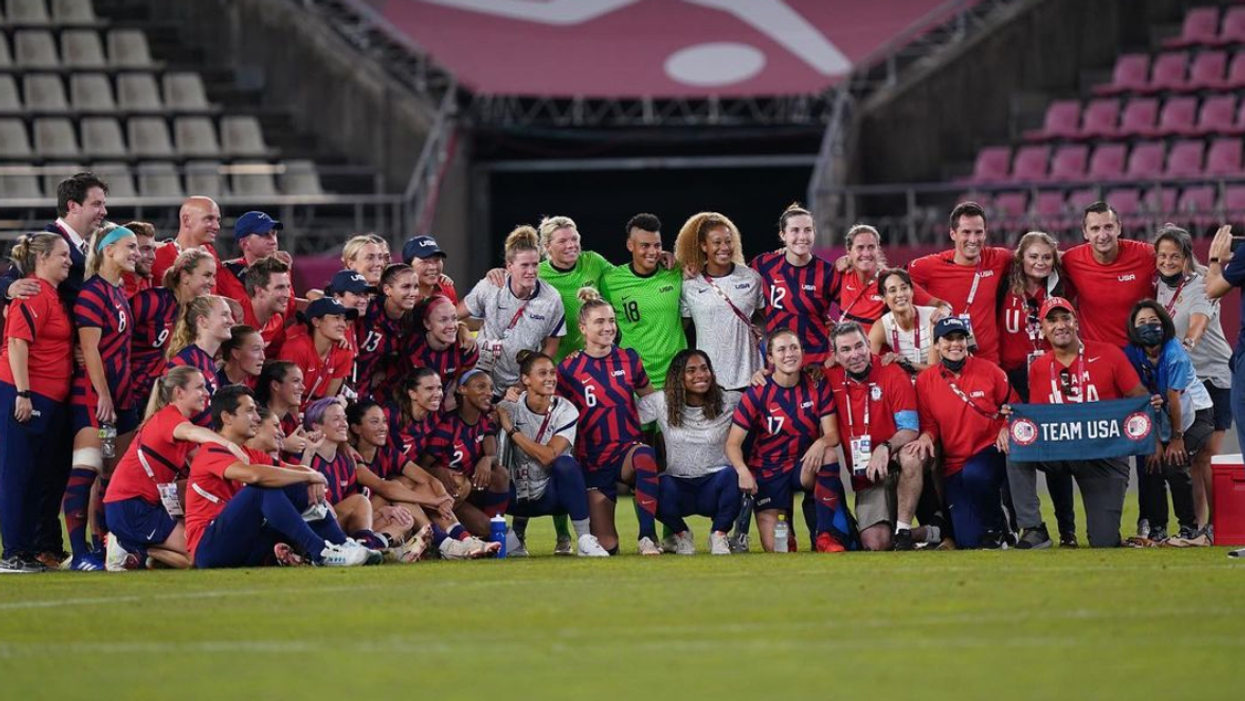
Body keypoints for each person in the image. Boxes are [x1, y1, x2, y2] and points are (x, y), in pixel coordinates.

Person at [1009, 297, 1155, 549]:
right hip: (1061, 452)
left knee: (1104, 541)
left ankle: (1104, 532)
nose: (1060, 325)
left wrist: (1152, 410)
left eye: (1065, 318)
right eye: (1051, 320)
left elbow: (1139, 397)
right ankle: (1033, 528)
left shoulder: (1109, 353)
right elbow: (1038, 418)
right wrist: (1012, 423)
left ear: (1076, 322)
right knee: (1014, 445)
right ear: (1042, 328)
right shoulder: (1040, 366)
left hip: (1105, 456)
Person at [184, 385, 377, 568]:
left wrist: (310, 476)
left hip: (243, 545)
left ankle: (342, 545)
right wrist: (309, 475)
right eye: (249, 411)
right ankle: (321, 552)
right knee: (261, 489)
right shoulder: (211, 450)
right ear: (227, 417)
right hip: (209, 548)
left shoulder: (249, 453)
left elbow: (292, 472)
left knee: (296, 487)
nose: (257, 418)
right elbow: (254, 476)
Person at [102, 367, 248, 570]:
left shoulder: (177, 422)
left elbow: (204, 469)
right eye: (199, 387)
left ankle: (140, 553)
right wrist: (229, 445)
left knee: (196, 545)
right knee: (197, 555)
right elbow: (193, 432)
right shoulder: (169, 418)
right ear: (179, 393)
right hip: (130, 507)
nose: (206, 393)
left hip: (145, 504)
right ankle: (124, 546)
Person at [557, 289, 663, 555]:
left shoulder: (629, 358)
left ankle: (648, 537)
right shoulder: (568, 370)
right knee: (607, 547)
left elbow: (651, 401)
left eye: (611, 320)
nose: (608, 327)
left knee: (645, 457)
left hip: (627, 451)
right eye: (600, 322)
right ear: (583, 327)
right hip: (592, 461)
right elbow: (556, 414)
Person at [726, 329, 849, 553]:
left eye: (794, 348)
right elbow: (732, 443)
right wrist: (742, 470)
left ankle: (824, 534)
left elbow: (832, 435)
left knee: (829, 455)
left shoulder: (816, 383)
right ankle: (788, 530)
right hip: (767, 473)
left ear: (803, 352)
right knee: (777, 548)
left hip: (802, 465)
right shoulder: (757, 392)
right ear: (770, 358)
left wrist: (820, 443)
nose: (789, 354)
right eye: (781, 349)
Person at [63, 223, 140, 571]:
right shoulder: (93, 292)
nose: (136, 253)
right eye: (130, 246)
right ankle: (79, 553)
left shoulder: (118, 291)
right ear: (108, 250)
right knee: (87, 470)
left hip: (122, 398)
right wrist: (103, 395)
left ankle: (104, 547)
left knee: (112, 474)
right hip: (94, 398)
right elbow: (89, 349)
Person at [997, 231, 1078, 547]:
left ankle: (1067, 530)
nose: (1040, 262)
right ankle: (1025, 529)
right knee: (1015, 450)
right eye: (1033, 256)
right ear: (1021, 258)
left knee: (1056, 455)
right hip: (1014, 377)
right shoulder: (1004, 287)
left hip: (1051, 376)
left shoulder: (1062, 288)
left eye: (1046, 257)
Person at [0, 234, 73, 572]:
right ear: (42, 258)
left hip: (47, 396)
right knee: (18, 475)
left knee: (35, 477)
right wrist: (23, 393)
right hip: (26, 393)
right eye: (62, 255)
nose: (69, 261)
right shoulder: (33, 292)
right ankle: (14, 552)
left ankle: (27, 550)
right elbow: (16, 343)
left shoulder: (51, 295)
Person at [907, 318, 1012, 549]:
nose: (955, 344)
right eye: (948, 339)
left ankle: (996, 531)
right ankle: (998, 524)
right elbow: (930, 424)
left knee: (976, 474)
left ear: (967, 342)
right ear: (936, 345)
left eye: (960, 338)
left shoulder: (990, 371)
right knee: (967, 541)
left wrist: (1006, 428)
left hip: (989, 450)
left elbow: (1014, 406)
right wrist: (926, 436)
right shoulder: (925, 381)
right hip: (955, 464)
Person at [1155, 225, 1232, 541]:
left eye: (1175, 255)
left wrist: (1185, 347)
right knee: (1188, 458)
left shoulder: (1202, 285)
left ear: (1187, 256)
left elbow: (1198, 323)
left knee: (1206, 456)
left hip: (1213, 376)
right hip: (1185, 382)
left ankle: (1216, 527)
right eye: (1162, 255)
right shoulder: (1156, 288)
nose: (1168, 261)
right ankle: (1196, 529)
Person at [497, 350, 609, 557]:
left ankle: (584, 540)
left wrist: (512, 431)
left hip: (552, 497)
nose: (550, 378)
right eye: (542, 373)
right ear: (526, 380)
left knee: (565, 464)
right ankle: (506, 536)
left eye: (552, 373)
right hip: (514, 497)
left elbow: (549, 456)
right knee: (492, 474)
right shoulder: (508, 407)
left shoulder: (566, 410)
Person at [827, 322, 925, 551]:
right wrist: (761, 374)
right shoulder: (829, 377)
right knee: (875, 544)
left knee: (912, 454)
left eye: (859, 346)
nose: (855, 355)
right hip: (866, 477)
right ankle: (926, 532)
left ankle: (902, 530)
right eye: (846, 350)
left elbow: (910, 429)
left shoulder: (892, 372)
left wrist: (885, 447)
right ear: (836, 356)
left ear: (869, 344)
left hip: (896, 466)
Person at [1123, 301, 1215, 543]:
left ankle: (1188, 527)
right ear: (1133, 328)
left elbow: (1176, 400)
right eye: (1141, 322)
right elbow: (1138, 397)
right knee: (1151, 464)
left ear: (1164, 324)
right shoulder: (1131, 354)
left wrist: (1176, 439)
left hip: (1194, 413)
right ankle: (1157, 529)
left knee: (1174, 463)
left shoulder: (1175, 355)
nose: (1148, 326)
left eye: (1153, 321)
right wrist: (1153, 442)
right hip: (1158, 415)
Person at [636, 349, 743, 555]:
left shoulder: (729, 401)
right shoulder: (662, 402)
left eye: (704, 369)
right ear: (679, 377)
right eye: (691, 371)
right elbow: (626, 413)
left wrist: (762, 377)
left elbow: (759, 402)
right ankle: (682, 534)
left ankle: (719, 535)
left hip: (716, 483)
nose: (700, 375)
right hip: (678, 484)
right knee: (655, 485)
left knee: (734, 475)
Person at [461, 226, 565, 395]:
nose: (531, 271)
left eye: (535, 265)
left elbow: (551, 347)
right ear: (509, 266)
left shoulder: (551, 298)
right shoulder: (491, 285)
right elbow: (453, 316)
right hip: (480, 381)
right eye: (524, 265)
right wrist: (463, 331)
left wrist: (524, 383)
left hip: (519, 387)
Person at [907, 201, 1011, 364]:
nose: (973, 239)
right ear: (953, 234)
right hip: (947, 363)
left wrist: (1061, 256)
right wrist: (937, 303)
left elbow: (1034, 255)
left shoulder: (997, 258)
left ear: (985, 233)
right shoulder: (932, 265)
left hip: (988, 364)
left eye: (978, 232)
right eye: (966, 232)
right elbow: (895, 279)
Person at [673, 212, 764, 391]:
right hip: (711, 382)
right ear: (704, 246)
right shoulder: (689, 285)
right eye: (717, 242)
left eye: (728, 241)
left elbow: (773, 316)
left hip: (752, 378)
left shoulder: (751, 277)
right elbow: (678, 331)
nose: (724, 247)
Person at [420, 369, 513, 542]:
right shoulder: (447, 426)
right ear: (462, 390)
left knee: (500, 474)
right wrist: (438, 471)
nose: (488, 393)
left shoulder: (485, 422)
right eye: (481, 387)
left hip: (471, 489)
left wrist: (486, 460)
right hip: (450, 494)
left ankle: (494, 529)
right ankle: (436, 532)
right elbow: (421, 465)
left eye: (491, 388)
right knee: (462, 485)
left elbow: (492, 455)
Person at [601, 213, 686, 389]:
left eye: (657, 245)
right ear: (630, 245)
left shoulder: (675, 272)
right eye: (645, 246)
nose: (653, 252)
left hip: (676, 374)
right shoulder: (610, 281)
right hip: (635, 378)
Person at [750, 204, 839, 367]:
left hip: (818, 363)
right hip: (780, 364)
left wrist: (839, 332)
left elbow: (852, 306)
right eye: (795, 230)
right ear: (782, 235)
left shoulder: (828, 271)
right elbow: (735, 282)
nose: (802, 236)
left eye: (807, 230)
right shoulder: (763, 265)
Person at [1060, 202, 1157, 348]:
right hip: (1098, 355)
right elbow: (1039, 258)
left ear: (1119, 227)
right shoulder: (1071, 260)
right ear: (1085, 232)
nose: (1103, 235)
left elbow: (1181, 261)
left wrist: (1204, 277)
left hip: (1141, 352)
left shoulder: (1145, 254)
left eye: (1108, 227)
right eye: (1095, 229)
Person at [2, 171, 107, 305]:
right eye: (97, 204)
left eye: (104, 204)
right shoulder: (40, 243)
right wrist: (9, 288)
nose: (104, 211)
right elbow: (6, 281)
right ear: (73, 206)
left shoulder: (89, 248)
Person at [130, 249, 216, 411]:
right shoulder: (153, 301)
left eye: (213, 276)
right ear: (185, 276)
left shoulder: (198, 317)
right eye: (207, 275)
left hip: (165, 401)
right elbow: (114, 333)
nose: (212, 282)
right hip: (131, 396)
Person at [837, 224, 946, 332]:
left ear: (878, 250)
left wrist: (944, 310)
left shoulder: (892, 281)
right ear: (849, 253)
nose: (866, 253)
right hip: (846, 347)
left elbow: (941, 305)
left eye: (871, 247)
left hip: (879, 348)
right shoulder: (842, 274)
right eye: (860, 248)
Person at [532, 216, 613, 362]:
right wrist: (494, 275)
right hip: (556, 364)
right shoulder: (537, 274)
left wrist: (659, 260)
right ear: (547, 246)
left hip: (595, 360)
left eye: (574, 239)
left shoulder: (593, 261)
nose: (571, 245)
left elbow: (624, 277)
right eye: (562, 241)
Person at [166, 295, 234, 426]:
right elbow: (169, 414)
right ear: (203, 321)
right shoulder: (185, 361)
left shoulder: (207, 361)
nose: (231, 321)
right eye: (225, 315)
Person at [355, 264, 418, 404]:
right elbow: (318, 296)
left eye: (416, 286)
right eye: (406, 287)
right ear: (387, 290)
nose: (413, 292)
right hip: (346, 384)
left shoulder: (413, 320)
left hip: (376, 393)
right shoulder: (367, 308)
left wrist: (462, 329)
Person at [277, 298, 355, 407]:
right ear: (316, 322)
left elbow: (328, 402)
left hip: (315, 415)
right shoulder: (297, 348)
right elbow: (286, 398)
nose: (343, 325)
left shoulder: (344, 352)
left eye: (344, 319)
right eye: (337, 318)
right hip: (286, 412)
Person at [407, 294, 479, 412]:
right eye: (443, 320)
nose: (451, 326)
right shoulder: (412, 348)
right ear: (427, 324)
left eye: (454, 318)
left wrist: (452, 392)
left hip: (448, 404)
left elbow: (465, 376)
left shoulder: (466, 346)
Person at [869, 268, 937, 376]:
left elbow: (936, 372)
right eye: (892, 290)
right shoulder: (881, 326)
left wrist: (907, 363)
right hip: (905, 388)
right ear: (883, 298)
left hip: (934, 385)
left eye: (904, 288)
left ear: (912, 291)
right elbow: (868, 365)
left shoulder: (932, 317)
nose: (900, 294)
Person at [149, 196, 223, 291]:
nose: (217, 226)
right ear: (186, 220)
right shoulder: (157, 256)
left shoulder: (210, 253)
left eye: (218, 220)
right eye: (209, 219)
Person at [239, 256, 292, 356]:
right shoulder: (232, 316)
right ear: (259, 291)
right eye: (280, 287)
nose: (287, 294)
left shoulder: (277, 321)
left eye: (288, 287)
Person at [255, 360, 305, 443]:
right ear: (275, 385)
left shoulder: (291, 422)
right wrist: (284, 446)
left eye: (302, 382)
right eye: (296, 381)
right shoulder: (257, 417)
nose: (303, 387)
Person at [402, 234, 458, 303]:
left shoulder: (446, 287)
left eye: (437, 260)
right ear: (409, 266)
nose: (433, 267)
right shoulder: (401, 294)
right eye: (425, 262)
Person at [121, 220, 156, 299]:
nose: (153, 257)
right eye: (146, 249)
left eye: (154, 250)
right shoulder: (112, 289)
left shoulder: (145, 282)